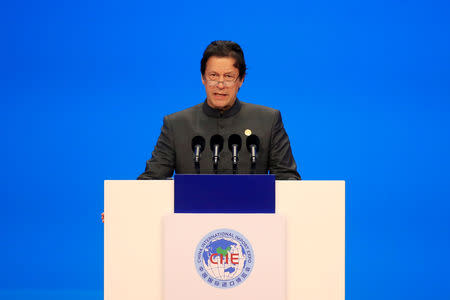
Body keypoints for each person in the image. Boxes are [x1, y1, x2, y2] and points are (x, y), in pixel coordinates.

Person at [138, 40, 301, 180]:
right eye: (213, 75)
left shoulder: (268, 120)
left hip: (253, 215)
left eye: (229, 76)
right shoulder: (176, 124)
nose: (220, 85)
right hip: (192, 215)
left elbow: (288, 181)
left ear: (241, 80)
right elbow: (151, 181)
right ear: (203, 77)